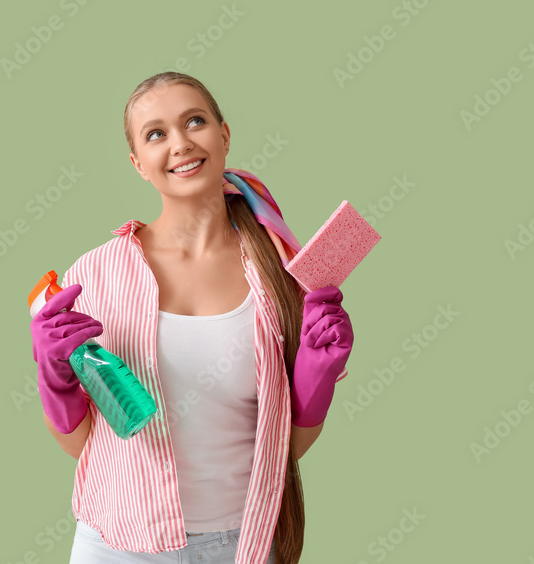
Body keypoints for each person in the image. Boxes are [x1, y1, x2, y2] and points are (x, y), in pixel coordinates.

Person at [29, 72, 354, 563]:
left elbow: (286, 450)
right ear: (138, 163)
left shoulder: (285, 273)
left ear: (223, 136)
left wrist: (317, 374)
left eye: (194, 121)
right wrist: (54, 375)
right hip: (118, 543)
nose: (180, 144)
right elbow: (83, 446)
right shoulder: (93, 276)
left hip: (243, 540)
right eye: (156, 134)